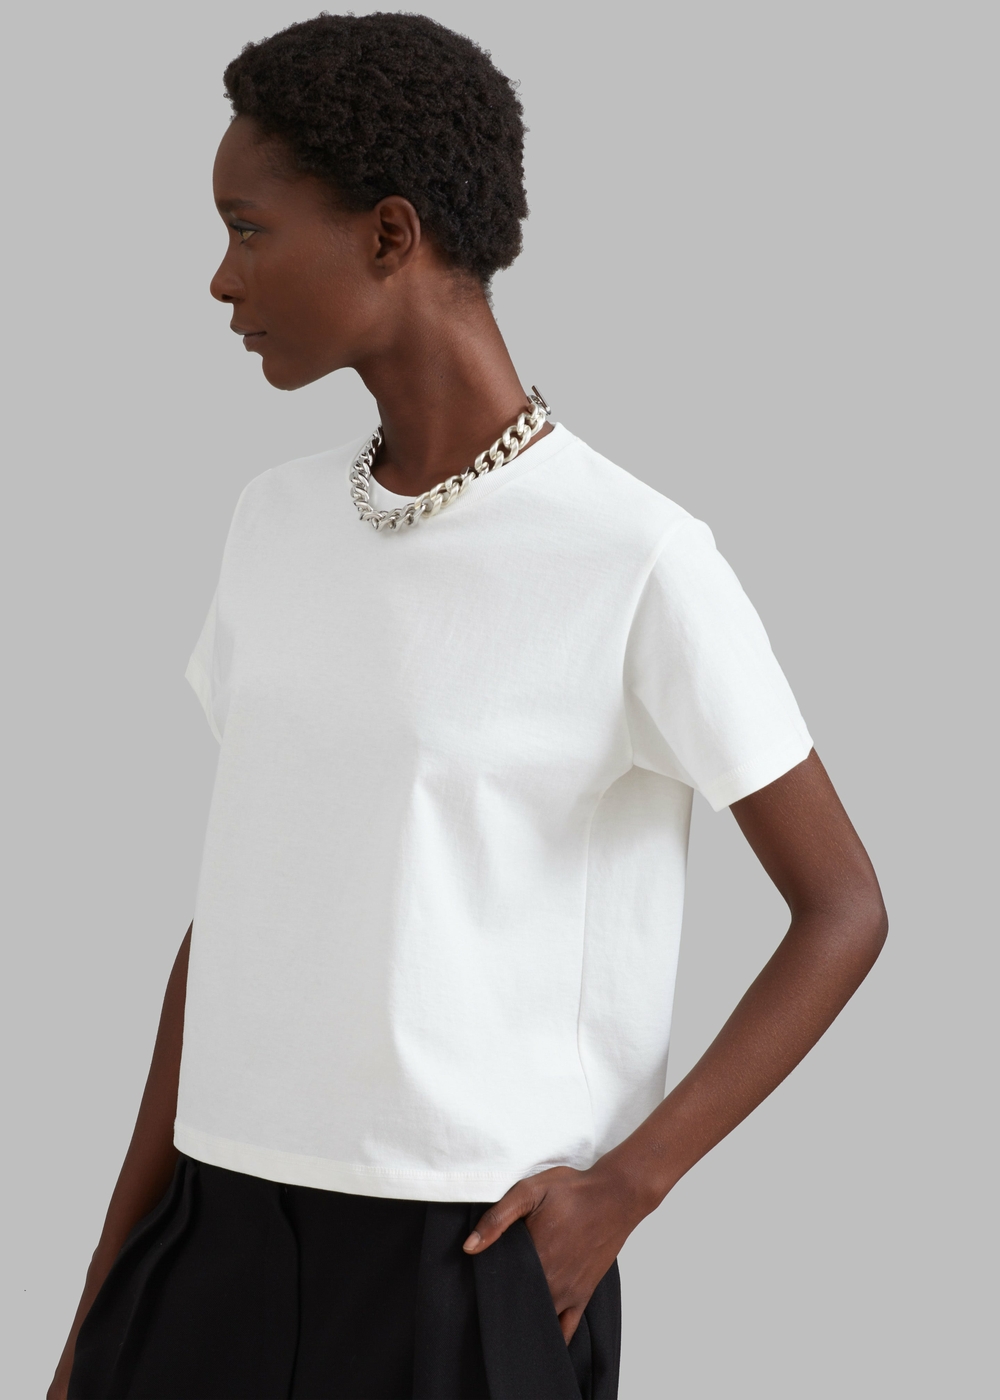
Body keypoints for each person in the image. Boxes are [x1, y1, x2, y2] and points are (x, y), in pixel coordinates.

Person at [50, 12, 887, 1400]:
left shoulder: (633, 559)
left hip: (463, 1257)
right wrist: (103, 1290)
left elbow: (843, 907)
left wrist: (627, 1189)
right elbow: (241, 912)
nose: (219, 277)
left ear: (391, 234)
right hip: (212, 1230)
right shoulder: (273, 523)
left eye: (248, 230)